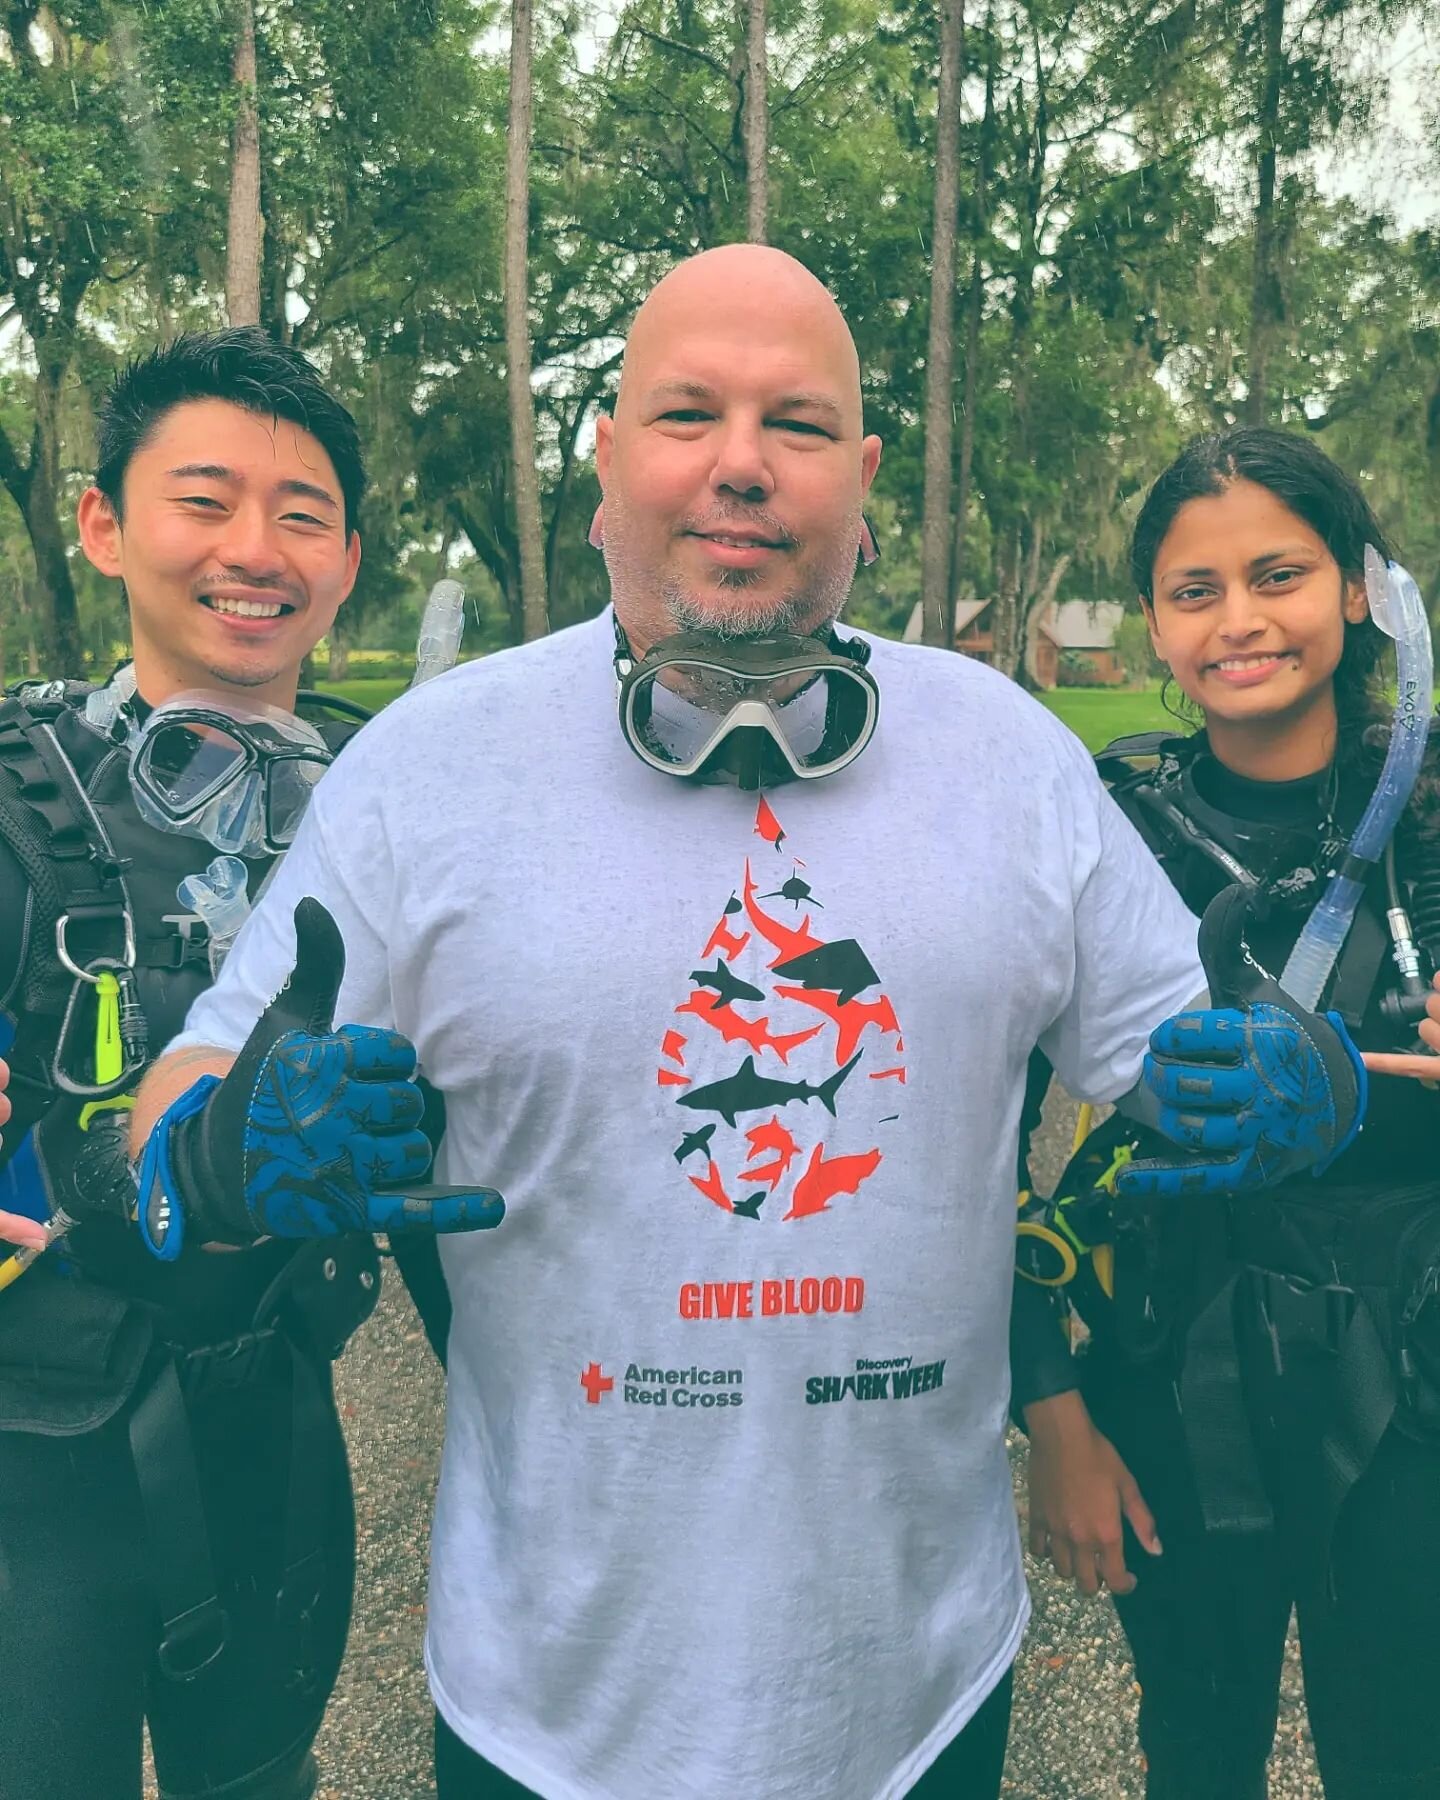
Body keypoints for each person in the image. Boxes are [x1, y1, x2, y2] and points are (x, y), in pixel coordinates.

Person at [130, 250, 1365, 1800]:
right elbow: (178, 1099)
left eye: (795, 422)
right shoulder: (428, 769)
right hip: (549, 1706)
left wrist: (1307, 1083)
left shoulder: (1012, 756)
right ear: (607, 464)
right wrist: (222, 1145)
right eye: (685, 412)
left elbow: (1184, 1055)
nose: (737, 461)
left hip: (921, 1687)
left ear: (860, 479)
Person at [0, 329, 500, 1800]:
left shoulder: (409, 816)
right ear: (103, 523)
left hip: (273, 1418)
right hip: (34, 1450)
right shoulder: (21, 793)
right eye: (203, 499)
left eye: (301, 514)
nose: (254, 550)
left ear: (349, 558)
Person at [1017, 427, 1440, 1799]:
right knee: (1198, 1749)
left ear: (1362, 591)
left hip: (1416, 1379)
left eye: (1280, 574)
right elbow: (969, 1130)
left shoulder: (1429, 825)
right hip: (1170, 1370)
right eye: (1194, 590)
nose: (1239, 620)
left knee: (1405, 1747)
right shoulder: (1101, 828)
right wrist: (1055, 1410)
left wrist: (1363, 1084)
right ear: (1151, 619)